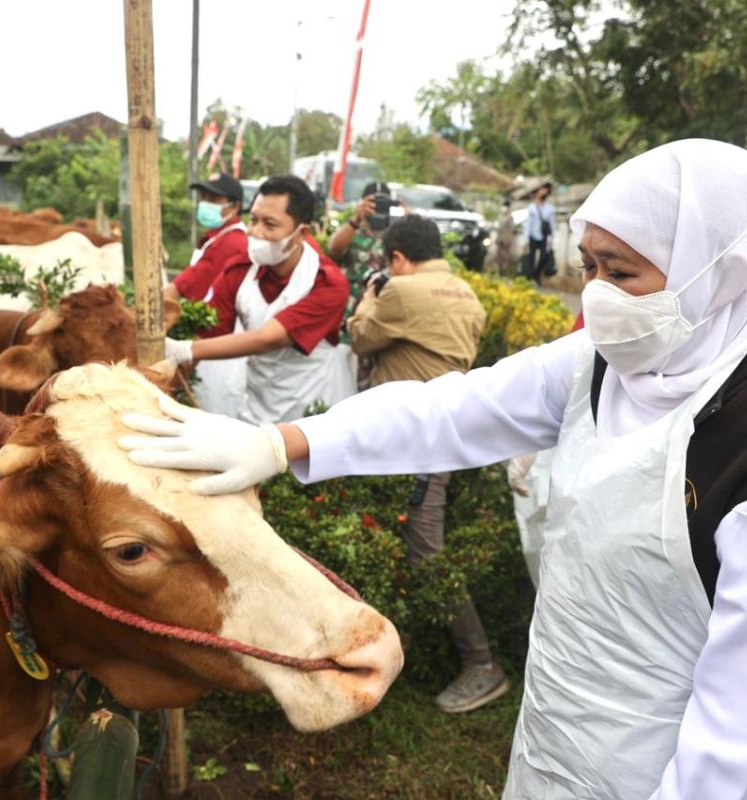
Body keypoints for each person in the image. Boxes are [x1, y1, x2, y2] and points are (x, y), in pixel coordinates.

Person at [120, 140, 747, 799]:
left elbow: (735, 742)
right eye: (587, 265)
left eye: (621, 273)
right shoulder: (619, 359)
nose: (595, 297)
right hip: (560, 735)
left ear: (722, 275)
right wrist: (286, 443)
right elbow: (456, 409)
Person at [347, 214, 498, 712]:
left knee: (424, 555)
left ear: (396, 258)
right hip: (444, 437)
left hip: (411, 443)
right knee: (410, 545)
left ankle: (481, 664)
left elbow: (361, 337)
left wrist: (370, 295)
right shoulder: (465, 294)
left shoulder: (402, 293)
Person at [162, 175, 354, 425]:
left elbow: (269, 338)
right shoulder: (239, 270)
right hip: (258, 402)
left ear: (301, 233)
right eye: (253, 220)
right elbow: (209, 330)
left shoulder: (326, 281)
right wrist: (169, 384)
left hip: (314, 405)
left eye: (270, 225)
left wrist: (182, 349)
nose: (256, 233)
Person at [164, 172, 249, 303]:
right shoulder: (220, 236)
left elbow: (189, 283)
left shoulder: (231, 243)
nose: (205, 204)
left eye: (213, 199)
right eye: (204, 197)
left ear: (235, 206)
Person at [327, 180, 392, 315]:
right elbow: (333, 249)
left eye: (383, 203)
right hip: (353, 303)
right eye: (372, 203)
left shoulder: (396, 231)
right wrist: (356, 219)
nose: (376, 207)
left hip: (385, 303)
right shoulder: (352, 229)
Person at [520, 182, 556, 284]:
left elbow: (552, 223)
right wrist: (526, 238)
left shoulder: (550, 208)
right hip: (533, 236)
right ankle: (531, 276)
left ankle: (537, 274)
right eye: (541, 191)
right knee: (531, 257)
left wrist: (552, 237)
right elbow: (528, 223)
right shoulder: (532, 207)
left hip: (544, 236)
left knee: (544, 257)